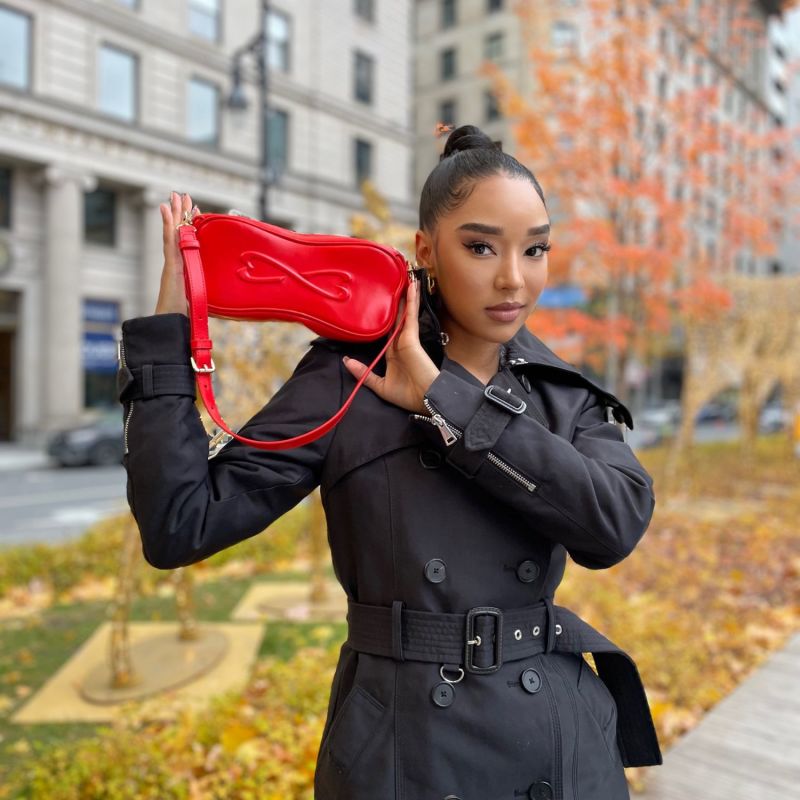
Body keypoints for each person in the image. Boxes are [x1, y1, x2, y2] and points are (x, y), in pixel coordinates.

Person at [117, 124, 662, 800]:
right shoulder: (348, 376)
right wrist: (170, 338)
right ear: (426, 251)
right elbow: (180, 523)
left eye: (537, 248)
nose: (513, 278)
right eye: (481, 246)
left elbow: (614, 527)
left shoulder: (562, 394)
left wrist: (446, 401)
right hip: (405, 749)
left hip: (557, 740)